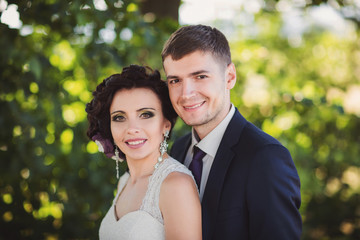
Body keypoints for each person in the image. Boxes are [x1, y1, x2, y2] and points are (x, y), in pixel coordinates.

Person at [161, 24, 302, 239]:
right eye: (175, 81)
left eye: (200, 77)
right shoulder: (179, 150)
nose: (186, 94)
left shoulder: (265, 158)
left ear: (229, 77)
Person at [85, 65, 201, 240]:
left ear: (166, 125)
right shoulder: (124, 181)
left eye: (146, 115)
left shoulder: (176, 185)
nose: (132, 129)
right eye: (119, 117)